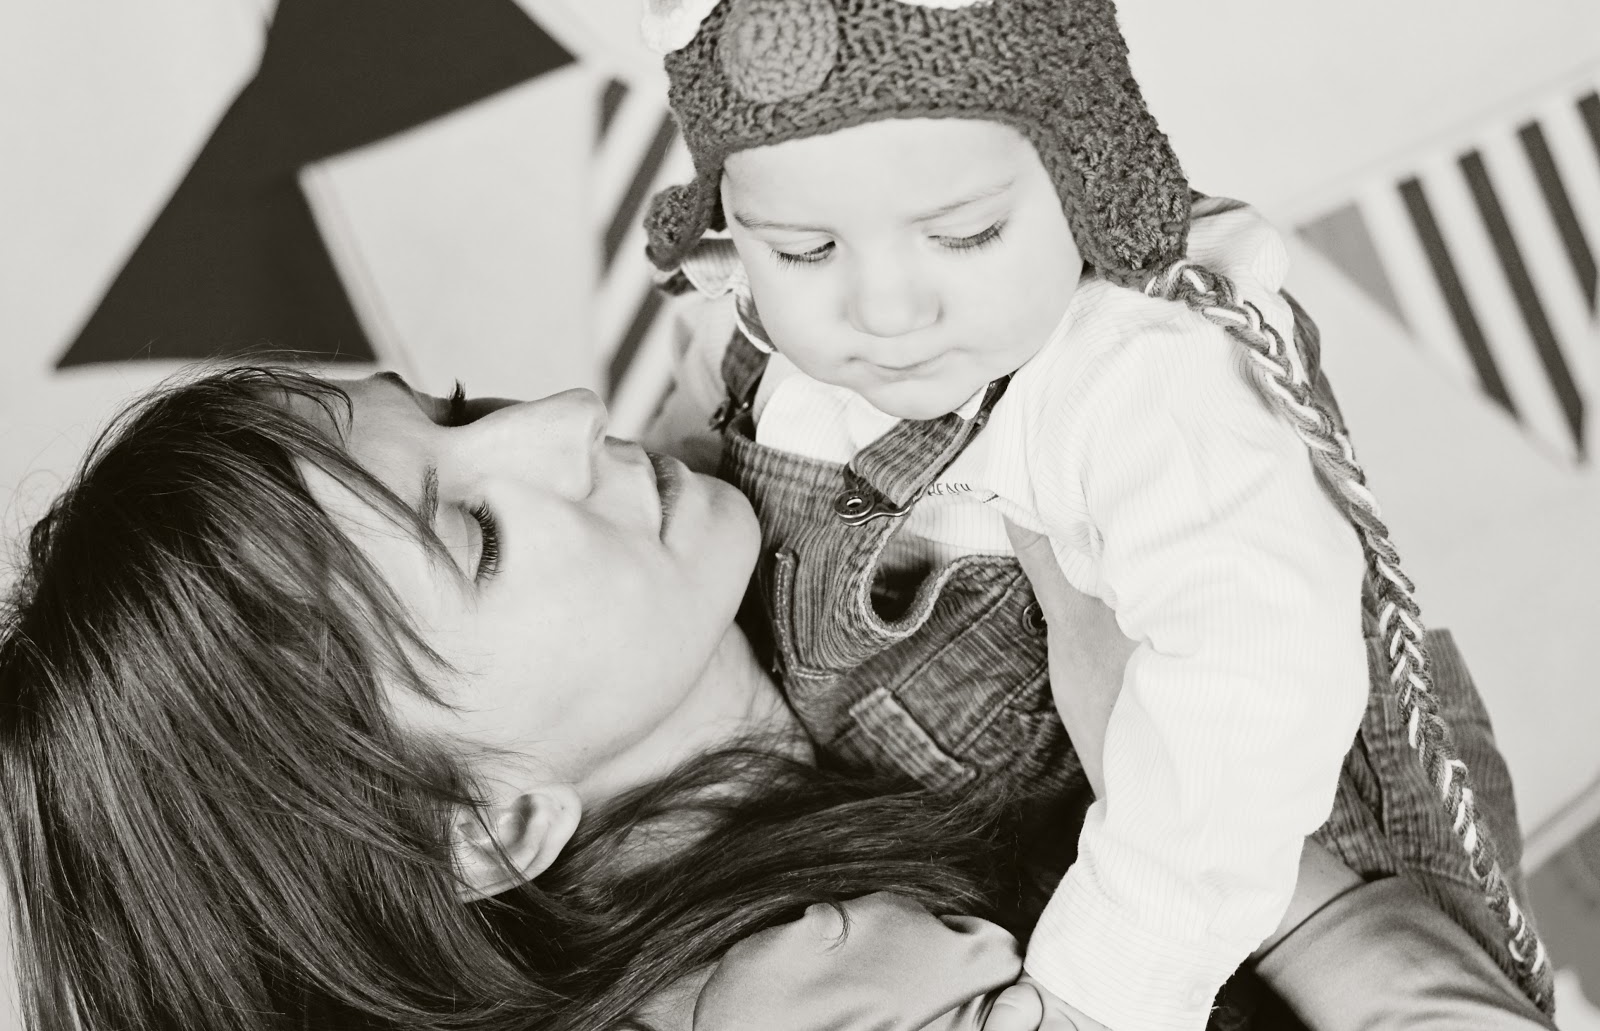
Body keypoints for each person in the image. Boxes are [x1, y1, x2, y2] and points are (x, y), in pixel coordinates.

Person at [0, 365, 1553, 1031]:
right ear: (487, 819)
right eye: (473, 532)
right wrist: (1211, 805)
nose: (560, 416)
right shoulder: (796, 998)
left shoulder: (823, 566)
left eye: (459, 405)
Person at [636, 0, 1552, 1025]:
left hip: (1275, 849)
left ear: (1087, 172)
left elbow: (1253, 665)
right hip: (1047, 862)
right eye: (803, 250)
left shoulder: (1130, 373)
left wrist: (1102, 989)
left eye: (964, 234)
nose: (883, 307)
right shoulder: (754, 340)